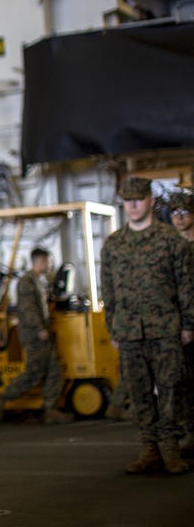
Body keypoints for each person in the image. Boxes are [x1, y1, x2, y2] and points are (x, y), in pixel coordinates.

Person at [101, 176, 194, 475]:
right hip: (128, 330)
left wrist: (188, 325)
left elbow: (186, 287)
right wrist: (113, 329)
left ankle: (170, 446)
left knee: (170, 388)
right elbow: (108, 292)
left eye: (137, 199)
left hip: (166, 327)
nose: (132, 205)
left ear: (150, 201)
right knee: (139, 392)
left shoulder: (171, 241)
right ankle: (149, 448)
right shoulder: (113, 245)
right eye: (127, 201)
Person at [0, 248, 73, 424]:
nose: (50, 266)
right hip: (34, 335)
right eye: (49, 262)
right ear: (42, 261)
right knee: (34, 374)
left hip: (42, 333)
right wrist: (39, 329)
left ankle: (50, 410)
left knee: (54, 371)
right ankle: (2, 397)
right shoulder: (27, 281)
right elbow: (28, 309)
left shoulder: (37, 280)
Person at [168, 190, 194, 451]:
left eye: (184, 211)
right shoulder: (170, 246)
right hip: (180, 325)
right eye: (174, 213)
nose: (179, 217)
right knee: (183, 381)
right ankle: (190, 432)